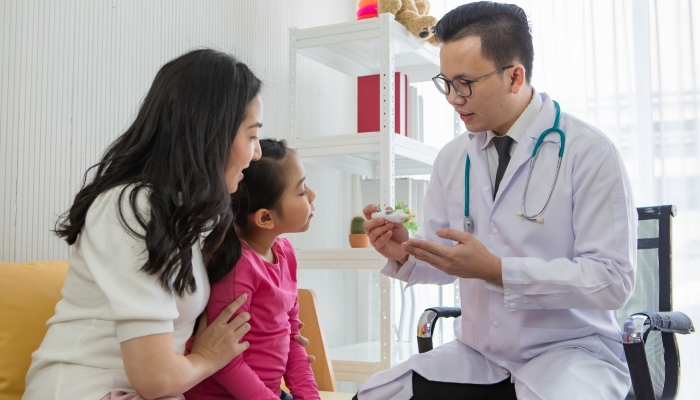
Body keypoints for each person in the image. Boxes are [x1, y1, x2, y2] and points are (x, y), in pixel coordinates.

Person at [356, 2, 637, 399]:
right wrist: (405, 251)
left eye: (465, 82)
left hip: (572, 355)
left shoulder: (589, 152)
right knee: (375, 394)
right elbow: (449, 261)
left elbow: (612, 280)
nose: (452, 98)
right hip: (478, 354)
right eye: (446, 82)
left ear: (515, 76)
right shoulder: (453, 158)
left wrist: (499, 271)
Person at [22, 49, 310, 400]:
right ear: (212, 134)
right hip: (88, 389)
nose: (257, 153)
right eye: (251, 136)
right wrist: (208, 357)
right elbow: (155, 378)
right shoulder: (133, 208)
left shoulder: (189, 214)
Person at [185, 139, 319, 400]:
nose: (312, 195)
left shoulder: (286, 253)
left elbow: (292, 337)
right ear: (265, 217)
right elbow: (225, 361)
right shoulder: (238, 267)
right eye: (301, 192)